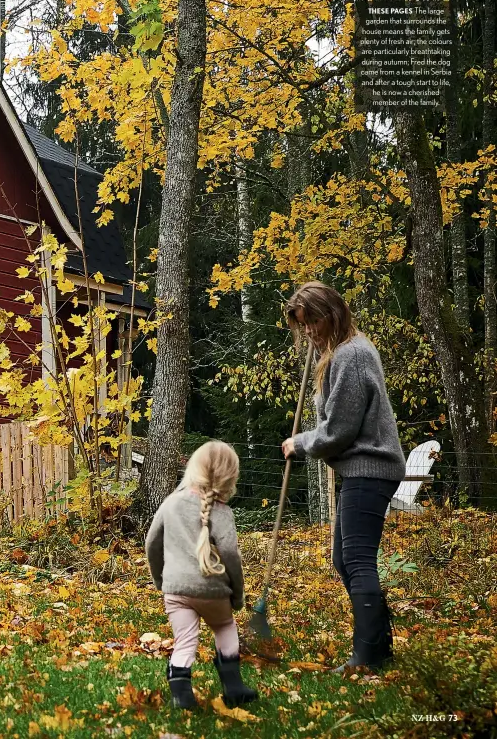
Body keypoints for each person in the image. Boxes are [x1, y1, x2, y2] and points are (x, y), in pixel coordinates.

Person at [281, 281, 406, 673]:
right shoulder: (340, 353)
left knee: (357, 560)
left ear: (330, 315)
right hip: (362, 469)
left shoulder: (351, 356)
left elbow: (339, 430)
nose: (307, 332)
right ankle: (380, 646)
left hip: (370, 467)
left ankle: (368, 658)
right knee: (344, 558)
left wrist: (299, 443)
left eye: (311, 322)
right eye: (302, 325)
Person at [145, 440, 258, 709]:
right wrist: (238, 595)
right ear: (230, 476)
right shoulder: (222, 511)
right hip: (213, 590)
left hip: (176, 589)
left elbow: (151, 542)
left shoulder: (171, 503)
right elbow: (230, 553)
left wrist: (161, 580)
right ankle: (233, 687)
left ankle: (181, 696)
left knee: (184, 641)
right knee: (224, 627)